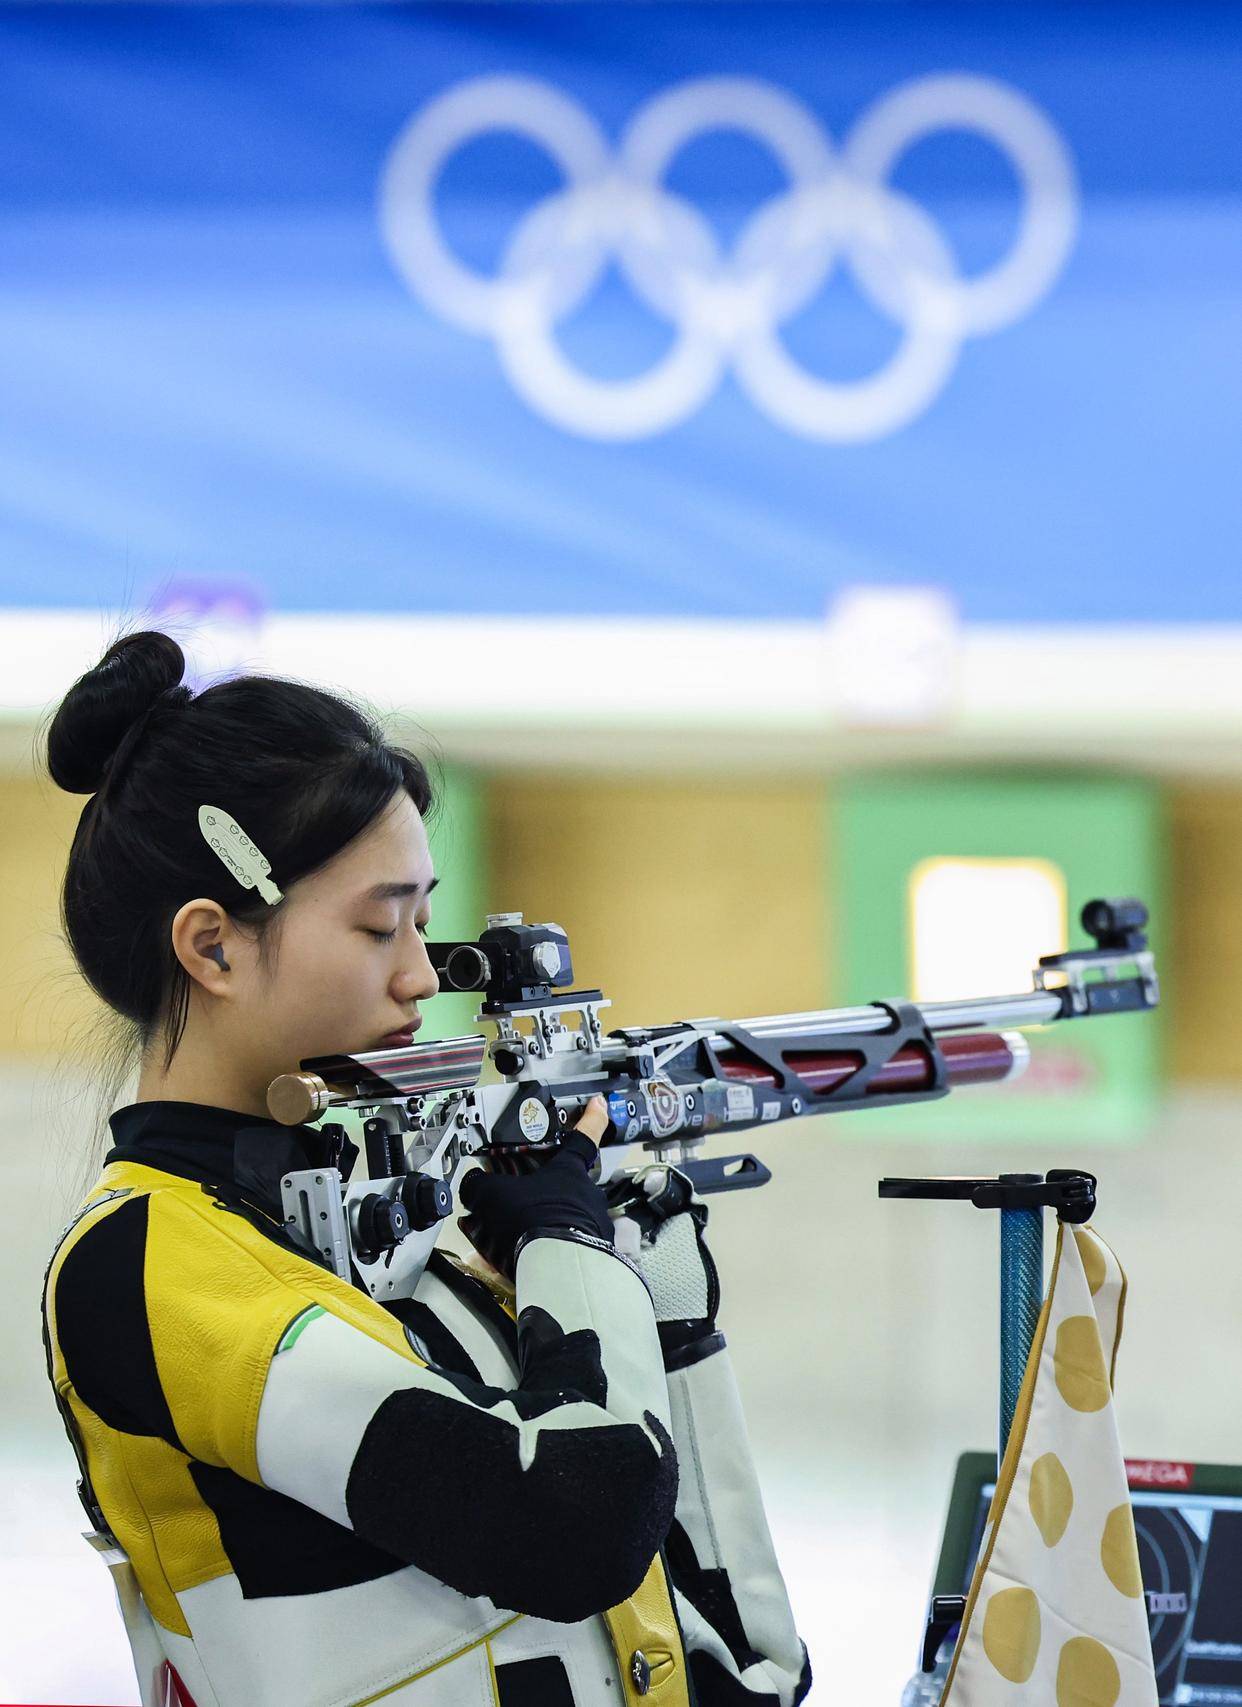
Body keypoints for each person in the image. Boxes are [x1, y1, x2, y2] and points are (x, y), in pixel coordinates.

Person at [40, 629, 813, 1707]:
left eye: (425, 921)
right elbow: (569, 1526)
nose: (418, 976)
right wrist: (570, 1245)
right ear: (211, 946)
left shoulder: (353, 1231)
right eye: (378, 925)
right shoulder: (144, 1267)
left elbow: (694, 1649)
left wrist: (657, 1304)